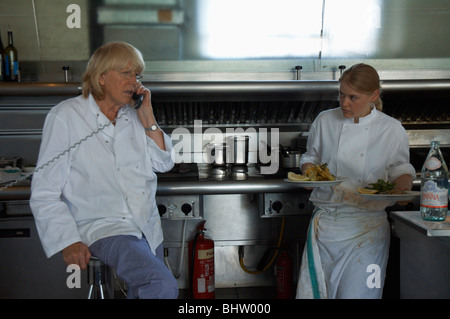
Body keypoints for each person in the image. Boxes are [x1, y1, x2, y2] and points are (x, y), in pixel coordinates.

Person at [30, 41, 178, 299]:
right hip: (105, 228)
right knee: (161, 286)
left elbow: (163, 163)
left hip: (146, 226)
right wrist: (67, 240)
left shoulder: (132, 115)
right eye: (125, 73)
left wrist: (148, 117)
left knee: (149, 290)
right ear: (100, 78)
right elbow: (45, 191)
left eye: (137, 75)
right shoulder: (66, 115)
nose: (134, 82)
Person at [296, 63, 415, 299]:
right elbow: (311, 158)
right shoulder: (325, 120)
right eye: (341, 94)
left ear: (373, 96)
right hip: (327, 228)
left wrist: (403, 188)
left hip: (368, 231)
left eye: (353, 97)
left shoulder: (391, 129)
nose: (344, 103)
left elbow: (401, 169)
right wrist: (310, 174)